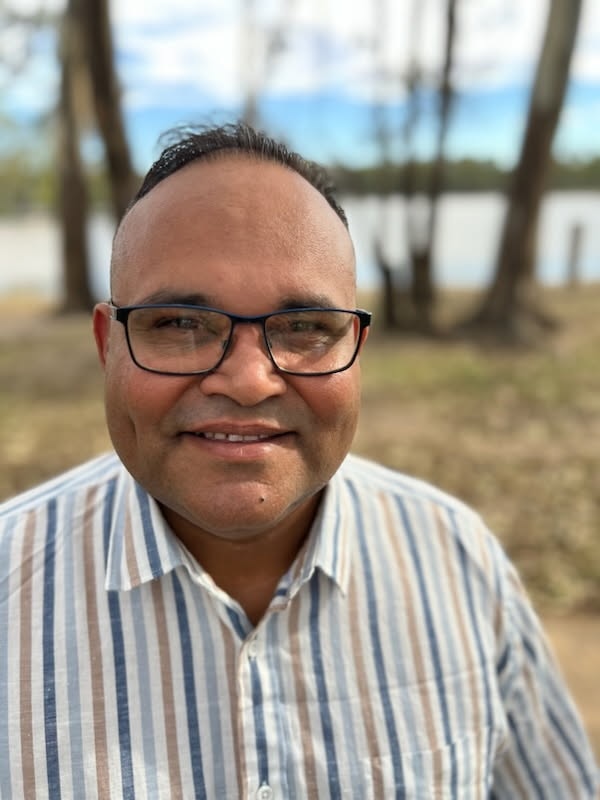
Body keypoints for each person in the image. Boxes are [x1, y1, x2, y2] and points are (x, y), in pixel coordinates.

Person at [0, 122, 597, 800]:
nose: (249, 381)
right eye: (179, 322)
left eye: (305, 328)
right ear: (109, 345)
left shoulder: (459, 562)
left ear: (356, 349)